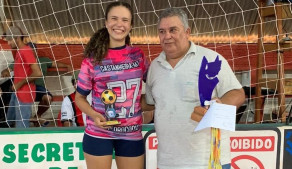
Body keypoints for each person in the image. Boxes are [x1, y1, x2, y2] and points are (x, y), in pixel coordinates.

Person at [145, 8, 245, 169]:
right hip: (167, 162)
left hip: (207, 161)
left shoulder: (211, 59)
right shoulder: (154, 67)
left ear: (187, 32)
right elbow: (151, 103)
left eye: (173, 30)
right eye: (162, 31)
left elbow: (237, 93)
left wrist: (220, 105)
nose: (167, 36)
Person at [75, 2, 149, 169]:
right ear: (106, 22)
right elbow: (79, 98)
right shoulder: (92, 60)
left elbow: (156, 84)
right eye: (114, 18)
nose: (119, 24)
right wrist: (94, 115)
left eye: (125, 20)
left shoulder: (138, 56)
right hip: (99, 133)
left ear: (131, 25)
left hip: (131, 133)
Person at [5, 42, 73, 126]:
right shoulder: (20, 60)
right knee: (13, 98)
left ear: (36, 51)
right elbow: (8, 69)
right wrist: (6, 71)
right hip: (25, 88)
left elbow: (55, 64)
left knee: (47, 98)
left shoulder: (43, 60)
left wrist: (67, 65)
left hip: (38, 88)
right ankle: (13, 122)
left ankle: (37, 116)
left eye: (32, 51)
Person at [5, 26, 42, 128]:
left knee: (21, 127)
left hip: (25, 94)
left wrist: (19, 84)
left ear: (17, 38)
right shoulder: (19, 51)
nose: (8, 43)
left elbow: (38, 73)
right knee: (8, 122)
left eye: (10, 40)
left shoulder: (26, 51)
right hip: (16, 92)